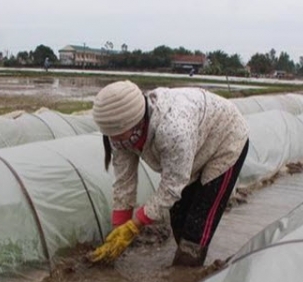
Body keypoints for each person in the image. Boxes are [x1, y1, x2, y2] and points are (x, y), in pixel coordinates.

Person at [89, 80, 249, 267]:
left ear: (135, 122)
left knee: (197, 227)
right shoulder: (119, 137)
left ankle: (187, 277)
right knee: (179, 217)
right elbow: (124, 182)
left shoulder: (172, 129)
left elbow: (173, 186)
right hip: (193, 147)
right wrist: (118, 234)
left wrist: (134, 226)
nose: (114, 140)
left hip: (225, 142)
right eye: (110, 135)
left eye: (118, 134)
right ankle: (186, 264)